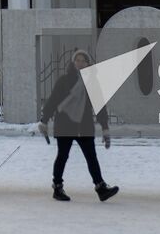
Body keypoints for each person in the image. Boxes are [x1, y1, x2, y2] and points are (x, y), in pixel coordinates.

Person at [37, 49, 119, 202]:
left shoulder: (92, 82)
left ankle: (101, 188)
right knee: (62, 156)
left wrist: (105, 128)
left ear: (88, 63)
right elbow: (53, 100)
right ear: (73, 63)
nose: (80, 63)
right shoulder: (64, 80)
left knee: (91, 157)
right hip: (65, 123)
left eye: (83, 60)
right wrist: (44, 120)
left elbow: (99, 106)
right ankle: (57, 187)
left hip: (84, 125)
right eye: (77, 60)